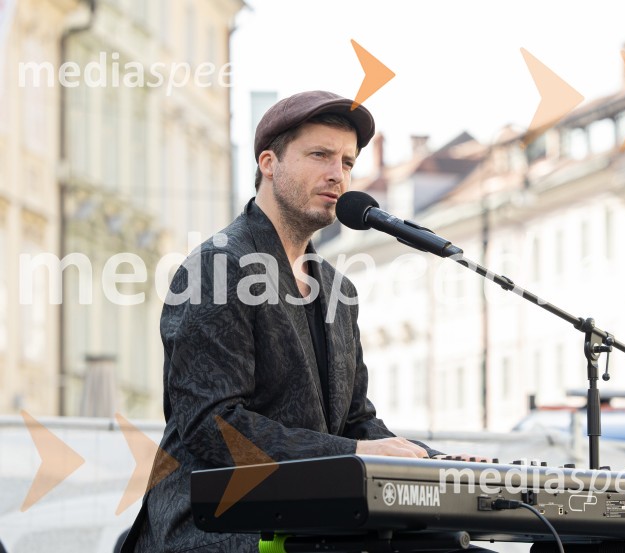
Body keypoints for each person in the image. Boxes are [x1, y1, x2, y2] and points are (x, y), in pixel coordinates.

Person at [121, 90, 441, 552]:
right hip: (217, 533)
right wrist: (354, 453)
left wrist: (432, 462)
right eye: (320, 155)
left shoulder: (337, 290)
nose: (338, 174)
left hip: (313, 526)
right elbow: (214, 427)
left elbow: (355, 420)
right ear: (269, 163)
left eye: (348, 162)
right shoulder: (216, 269)